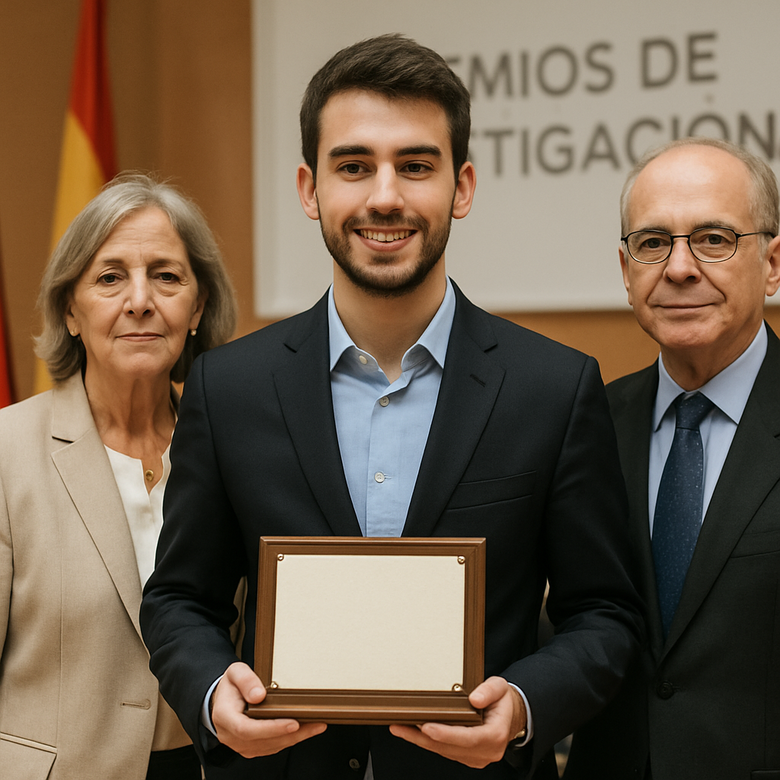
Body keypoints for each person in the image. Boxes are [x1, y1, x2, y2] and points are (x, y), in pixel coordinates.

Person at [141, 34, 642, 780]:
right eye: (354, 166)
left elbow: (604, 615)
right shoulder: (228, 388)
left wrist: (524, 707)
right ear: (310, 190)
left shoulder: (555, 389)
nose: (384, 195)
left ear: (462, 187)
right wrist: (215, 693)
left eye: (415, 166)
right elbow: (180, 599)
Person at [0, 173, 237, 780]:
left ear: (198, 306)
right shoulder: (7, 452)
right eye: (109, 278)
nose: (140, 300)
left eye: (166, 276)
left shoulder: (237, 451)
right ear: (70, 312)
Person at [564, 138, 780, 780]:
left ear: (772, 265)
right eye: (654, 242)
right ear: (627, 269)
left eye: (713, 238)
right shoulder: (583, 423)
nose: (680, 267)